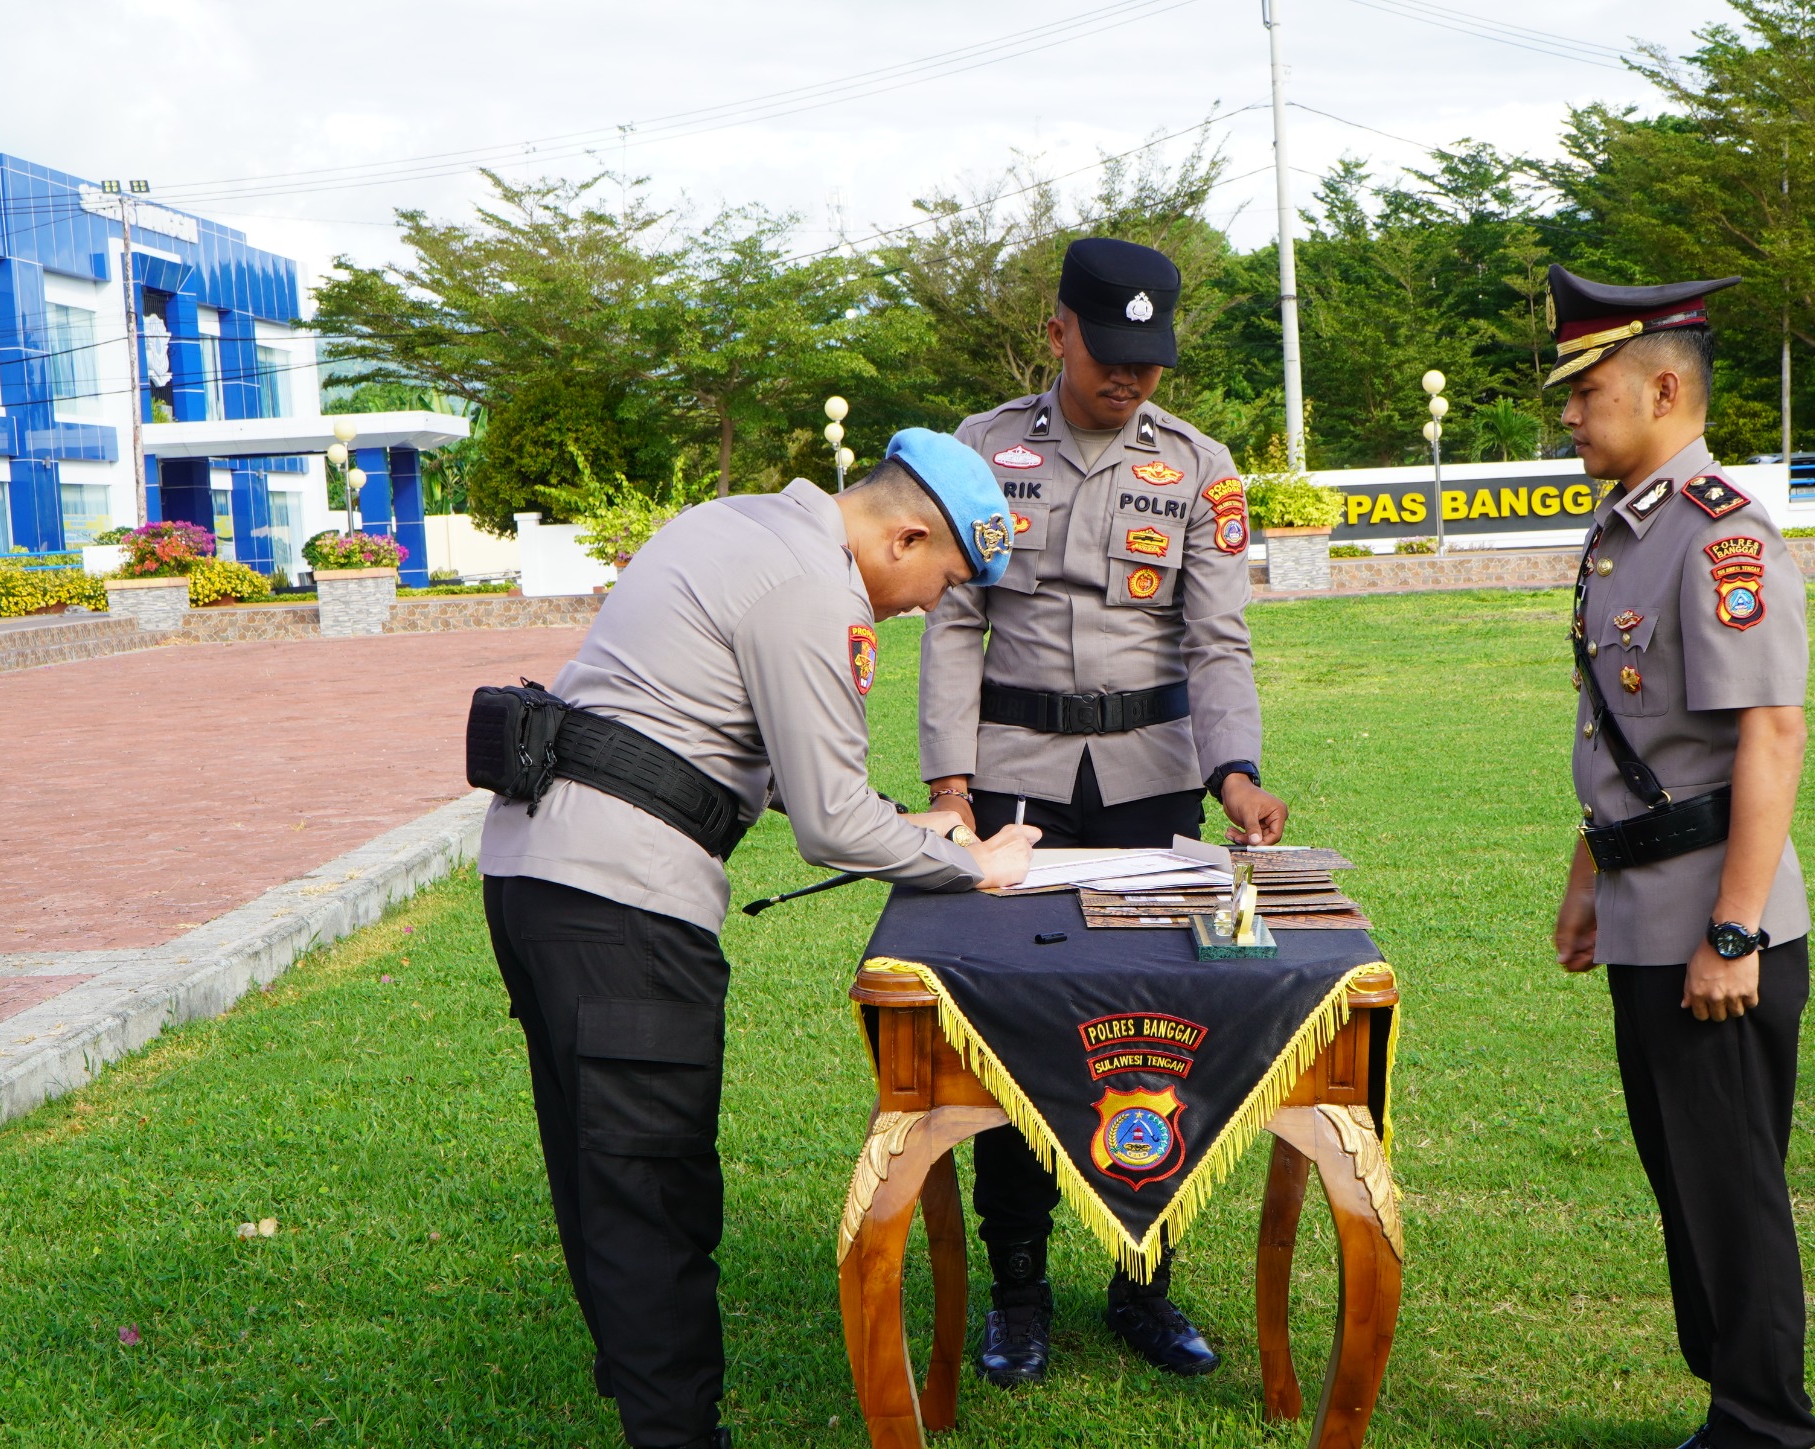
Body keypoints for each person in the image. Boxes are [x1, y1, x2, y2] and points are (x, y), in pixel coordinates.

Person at [479, 430, 1041, 1449]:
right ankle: (677, 1432)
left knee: (601, 1173)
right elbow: (829, 822)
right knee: (654, 1192)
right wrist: (977, 864)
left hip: (538, 881)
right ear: (905, 534)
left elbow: (743, 746)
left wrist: (913, 828)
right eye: (941, 579)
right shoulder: (812, 588)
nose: (928, 606)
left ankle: (647, 1395)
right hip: (623, 903)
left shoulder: (735, 522)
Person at [916, 236, 1289, 1386]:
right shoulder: (985, 449)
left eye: (1150, 363)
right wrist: (946, 787)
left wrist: (1233, 771)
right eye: (1110, 357)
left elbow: (1214, 639)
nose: (1130, 382)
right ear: (1058, 331)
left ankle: (1145, 1283)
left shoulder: (1198, 465)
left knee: (1157, 1023)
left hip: (1153, 780)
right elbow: (951, 624)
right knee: (1011, 1024)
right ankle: (1018, 1293)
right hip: (1016, 776)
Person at [1543, 266, 1815, 1449]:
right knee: (1686, 1180)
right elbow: (1641, 736)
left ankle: (1762, 1427)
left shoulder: (1718, 534)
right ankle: (1731, 1393)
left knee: (1730, 1187)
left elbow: (1770, 731)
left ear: (1663, 389)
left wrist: (1732, 931)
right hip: (1646, 902)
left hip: (1714, 921)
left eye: (1585, 391)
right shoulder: (1628, 531)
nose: (1566, 415)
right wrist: (1586, 872)